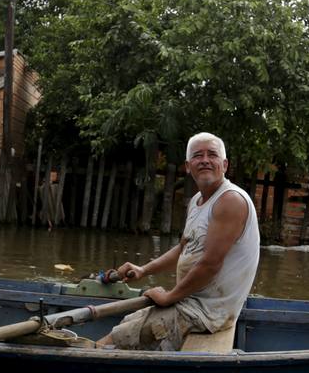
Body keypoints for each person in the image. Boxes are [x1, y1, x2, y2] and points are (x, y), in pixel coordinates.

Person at [104, 132, 260, 351]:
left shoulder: (230, 200)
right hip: (190, 301)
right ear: (188, 166)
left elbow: (210, 265)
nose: (205, 159)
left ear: (224, 165)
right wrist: (143, 270)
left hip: (208, 312)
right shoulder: (197, 201)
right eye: (198, 155)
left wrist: (169, 297)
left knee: (114, 341)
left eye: (212, 155)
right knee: (123, 328)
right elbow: (183, 249)